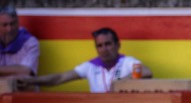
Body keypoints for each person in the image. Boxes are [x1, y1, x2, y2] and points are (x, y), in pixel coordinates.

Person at [15, 27, 151, 93]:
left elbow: (145, 72)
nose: (104, 49)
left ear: (118, 45)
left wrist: (120, 83)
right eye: (100, 46)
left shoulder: (127, 61)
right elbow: (60, 77)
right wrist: (32, 80)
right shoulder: (91, 66)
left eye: (108, 44)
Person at [0, 4, 39, 78]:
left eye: (12, 24)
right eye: (4, 25)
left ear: (18, 23)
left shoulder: (30, 43)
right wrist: (16, 70)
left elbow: (26, 71)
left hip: (24, 88)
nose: (9, 29)